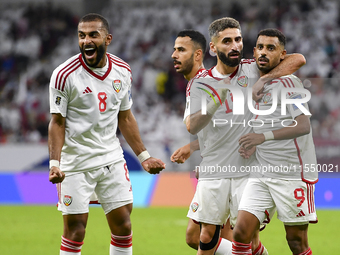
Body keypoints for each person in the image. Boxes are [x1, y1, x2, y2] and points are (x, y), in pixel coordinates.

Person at [184, 18, 306, 255]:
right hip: (215, 171)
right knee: (204, 236)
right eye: (227, 41)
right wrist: (212, 105)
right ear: (212, 47)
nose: (235, 46)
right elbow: (191, 125)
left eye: (238, 40)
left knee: (246, 239)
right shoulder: (199, 83)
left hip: (249, 170)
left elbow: (297, 59)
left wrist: (265, 79)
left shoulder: (253, 68)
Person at [48, 13, 165, 255]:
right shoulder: (63, 75)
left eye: (93, 35)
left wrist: (144, 157)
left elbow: (126, 117)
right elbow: (57, 122)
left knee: (123, 225)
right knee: (76, 231)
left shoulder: (122, 70)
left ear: (107, 38)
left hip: (111, 158)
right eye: (81, 36)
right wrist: (54, 163)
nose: (86, 41)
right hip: (76, 163)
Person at [232, 29, 317, 255]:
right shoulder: (250, 74)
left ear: (283, 55)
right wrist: (251, 143)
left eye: (271, 48)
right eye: (260, 47)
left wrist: (263, 137)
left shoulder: (292, 84)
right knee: (240, 233)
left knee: (296, 242)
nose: (263, 52)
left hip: (292, 173)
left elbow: (303, 126)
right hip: (262, 171)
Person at [171, 29, 234, 255]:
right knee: (199, 236)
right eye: (174, 49)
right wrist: (194, 147)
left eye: (180, 50)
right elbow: (221, 127)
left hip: (225, 168)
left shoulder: (203, 83)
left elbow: (193, 124)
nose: (174, 55)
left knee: (204, 237)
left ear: (198, 55)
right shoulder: (199, 83)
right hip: (218, 165)